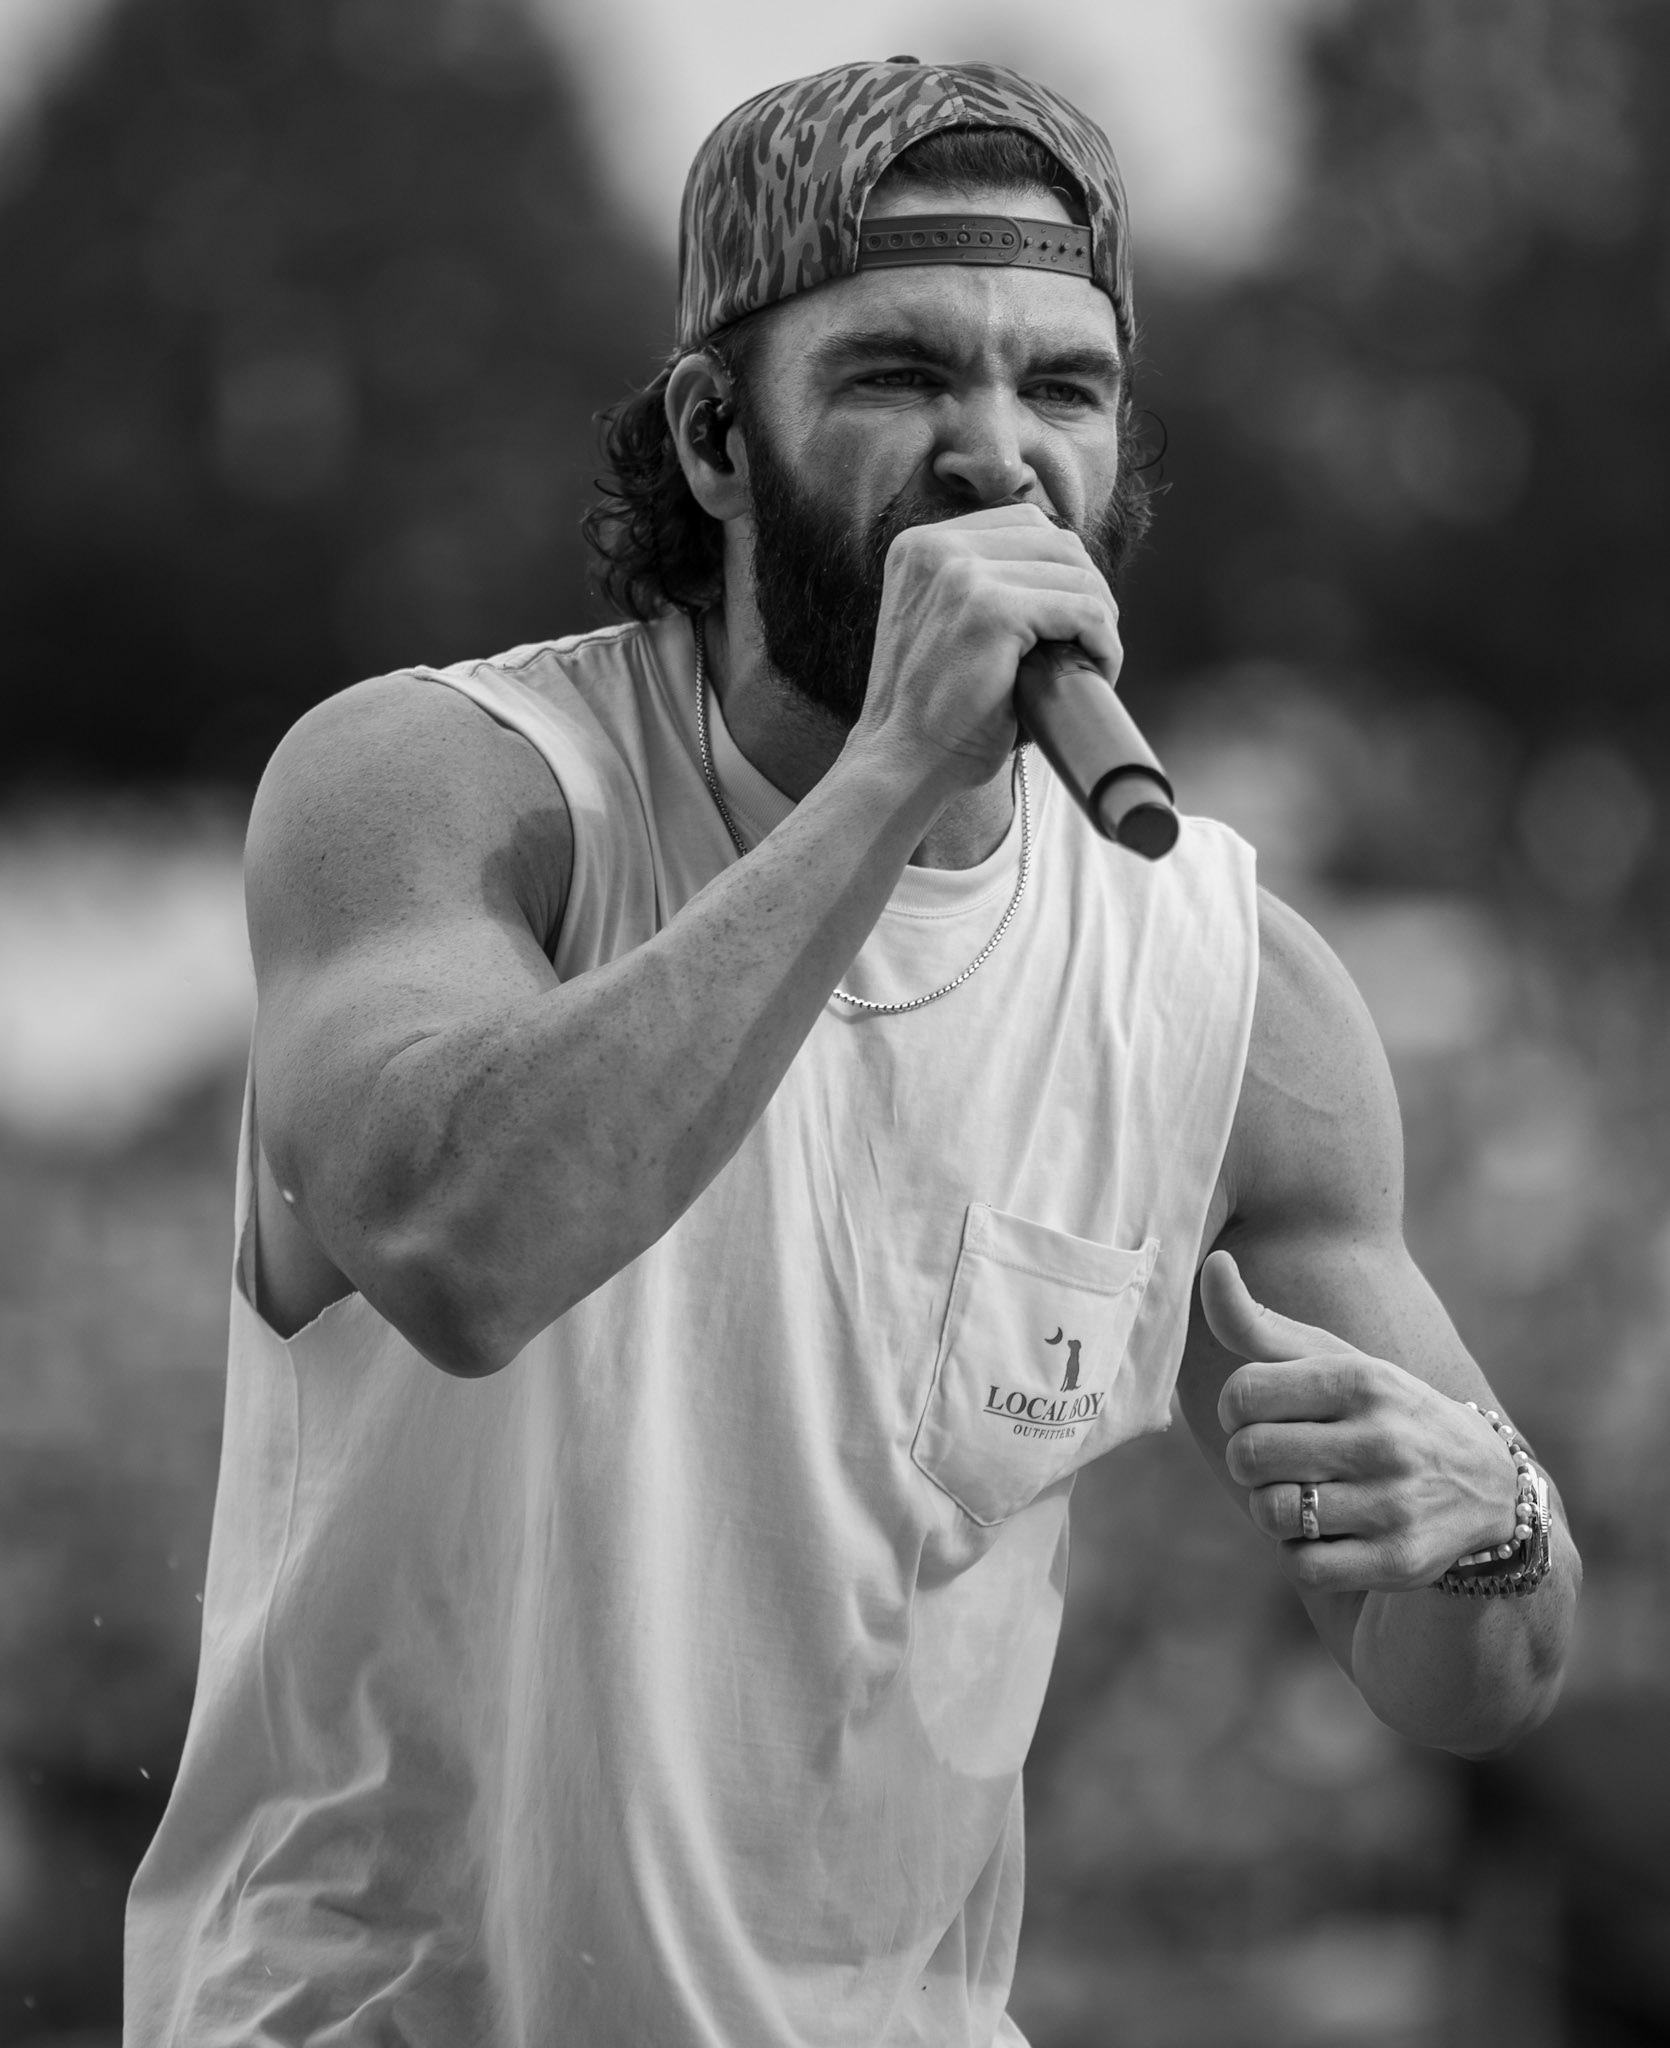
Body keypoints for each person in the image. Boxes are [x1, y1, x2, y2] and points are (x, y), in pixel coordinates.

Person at [124, 57, 1579, 2048]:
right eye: (902, 373)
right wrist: (895, 768)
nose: (999, 456)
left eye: (1064, 387)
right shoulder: (447, 792)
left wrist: (1487, 1529)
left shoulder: (1229, 990)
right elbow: (460, 1248)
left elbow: (1473, 1683)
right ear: (717, 436)